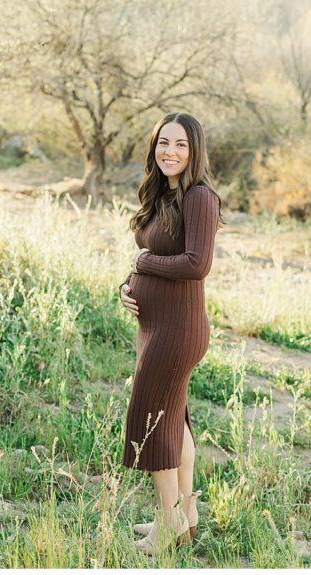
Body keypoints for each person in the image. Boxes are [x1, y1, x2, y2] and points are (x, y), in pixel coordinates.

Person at [117, 112, 223, 557]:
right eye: (163, 143)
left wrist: (142, 265)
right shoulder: (165, 194)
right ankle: (187, 515)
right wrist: (127, 283)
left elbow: (196, 264)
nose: (170, 152)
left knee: (152, 423)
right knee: (174, 421)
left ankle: (168, 523)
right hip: (157, 328)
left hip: (177, 332)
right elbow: (153, 255)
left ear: (194, 150)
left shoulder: (199, 197)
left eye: (180, 144)